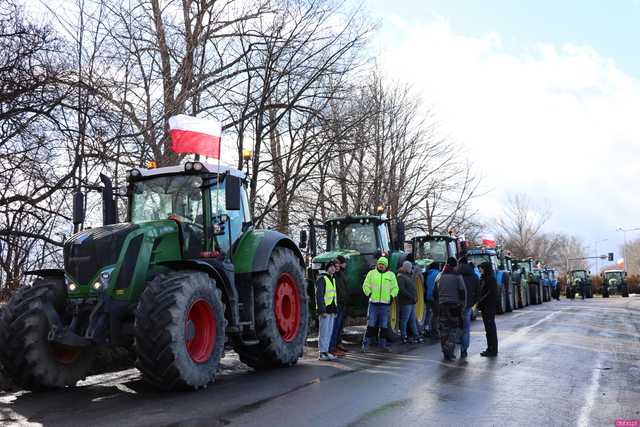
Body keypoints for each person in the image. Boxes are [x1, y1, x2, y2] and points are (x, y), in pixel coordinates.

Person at [361, 256, 399, 353]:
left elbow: (395, 288)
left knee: (384, 325)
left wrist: (391, 296)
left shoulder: (391, 275)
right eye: (380, 264)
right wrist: (369, 293)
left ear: (386, 266)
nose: (381, 266)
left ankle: (383, 345)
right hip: (373, 304)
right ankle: (365, 345)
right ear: (377, 264)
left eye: (383, 265)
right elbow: (365, 285)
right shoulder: (371, 274)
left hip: (385, 304)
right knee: (371, 324)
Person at [437, 257, 466, 361]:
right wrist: (462, 305)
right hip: (454, 306)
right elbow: (462, 292)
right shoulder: (458, 277)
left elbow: (435, 291)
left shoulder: (441, 276)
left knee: (443, 330)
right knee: (454, 329)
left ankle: (445, 352)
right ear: (455, 266)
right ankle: (449, 350)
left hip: (442, 306)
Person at [316, 260, 338, 361]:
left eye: (334, 266)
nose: (333, 268)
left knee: (329, 332)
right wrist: (322, 310)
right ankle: (322, 353)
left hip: (331, 310)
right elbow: (319, 296)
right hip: (325, 310)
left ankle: (327, 351)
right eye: (331, 266)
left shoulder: (332, 279)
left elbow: (333, 296)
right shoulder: (322, 278)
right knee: (324, 332)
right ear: (327, 268)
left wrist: (335, 310)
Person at [458, 256, 480, 359]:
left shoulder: (457, 274)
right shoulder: (474, 276)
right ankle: (464, 350)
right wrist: (472, 302)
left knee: (456, 326)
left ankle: (455, 344)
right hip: (468, 305)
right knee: (466, 328)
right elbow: (478, 292)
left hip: (456, 305)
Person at [477, 261, 498, 357]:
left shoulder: (490, 280)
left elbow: (489, 294)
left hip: (489, 307)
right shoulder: (484, 279)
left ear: (486, 269)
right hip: (485, 307)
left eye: (481, 268)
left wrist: (480, 301)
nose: (480, 270)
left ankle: (492, 349)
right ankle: (490, 348)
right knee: (488, 330)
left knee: (490, 330)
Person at [329, 255, 349, 356]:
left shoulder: (341, 275)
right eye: (335, 266)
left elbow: (344, 290)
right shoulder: (333, 277)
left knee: (339, 327)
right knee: (334, 327)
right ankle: (332, 348)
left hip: (342, 304)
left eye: (338, 266)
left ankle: (337, 345)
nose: (337, 267)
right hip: (336, 305)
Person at [397, 261, 421, 344]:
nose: (411, 270)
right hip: (406, 302)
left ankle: (416, 336)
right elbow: (402, 290)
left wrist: (415, 297)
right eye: (410, 268)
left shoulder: (409, 276)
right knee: (404, 320)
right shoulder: (401, 277)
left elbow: (412, 288)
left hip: (411, 302)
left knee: (412, 320)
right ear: (407, 268)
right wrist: (412, 296)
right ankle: (404, 336)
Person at [424, 262, 440, 338]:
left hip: (428, 296)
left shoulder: (428, 274)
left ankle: (426, 328)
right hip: (435, 296)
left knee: (428, 313)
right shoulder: (438, 274)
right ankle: (434, 330)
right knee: (435, 314)